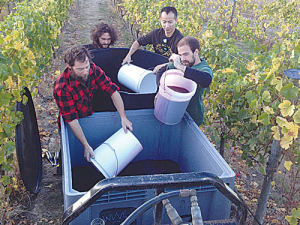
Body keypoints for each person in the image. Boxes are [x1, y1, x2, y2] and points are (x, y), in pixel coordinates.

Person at [53, 45, 132, 162]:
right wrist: (85, 145)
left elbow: (112, 91)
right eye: (80, 69)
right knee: (69, 151)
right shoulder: (62, 87)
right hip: (74, 122)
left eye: (87, 66)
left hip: (88, 113)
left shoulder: (93, 70)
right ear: (69, 66)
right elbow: (71, 119)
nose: (85, 72)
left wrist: (123, 117)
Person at [156, 36, 213, 126]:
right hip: (173, 111)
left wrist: (181, 67)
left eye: (186, 54)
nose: (183, 59)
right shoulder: (183, 62)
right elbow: (161, 71)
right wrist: (160, 90)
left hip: (191, 117)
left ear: (196, 52)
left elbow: (206, 80)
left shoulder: (203, 68)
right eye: (180, 55)